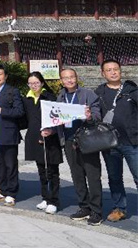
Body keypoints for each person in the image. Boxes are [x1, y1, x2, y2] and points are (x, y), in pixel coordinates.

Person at [49, 68, 103, 225]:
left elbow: (97, 115)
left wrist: (89, 116)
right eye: (66, 78)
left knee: (93, 176)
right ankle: (84, 206)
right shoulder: (60, 96)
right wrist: (49, 130)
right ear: (61, 81)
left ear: (76, 77)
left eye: (72, 77)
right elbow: (55, 118)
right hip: (68, 141)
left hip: (87, 140)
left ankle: (96, 211)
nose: (69, 80)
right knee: (77, 175)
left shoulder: (87, 94)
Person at [95, 59, 138, 223]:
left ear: (120, 71)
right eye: (109, 70)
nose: (113, 72)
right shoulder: (99, 93)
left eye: (115, 69)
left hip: (132, 142)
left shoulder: (132, 91)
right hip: (109, 143)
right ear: (103, 73)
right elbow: (95, 114)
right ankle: (120, 208)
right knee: (114, 178)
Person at [22, 71, 62, 215]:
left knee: (52, 171)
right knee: (42, 171)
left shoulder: (49, 97)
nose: (33, 86)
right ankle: (45, 197)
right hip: (34, 137)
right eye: (31, 83)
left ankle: (54, 201)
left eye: (36, 83)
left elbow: (57, 118)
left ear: (42, 83)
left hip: (49, 138)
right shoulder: (26, 99)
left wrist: (51, 131)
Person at [0, 64, 24, 207]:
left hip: (8, 134)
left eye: (0, 74)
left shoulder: (12, 91)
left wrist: (1, 110)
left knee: (10, 165)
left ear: (6, 76)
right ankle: (1, 189)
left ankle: (12, 193)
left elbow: (19, 111)